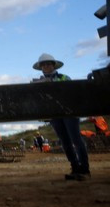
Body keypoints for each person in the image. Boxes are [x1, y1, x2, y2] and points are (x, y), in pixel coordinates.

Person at [33, 53, 90, 181]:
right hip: (55, 115)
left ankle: (84, 169)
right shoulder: (38, 82)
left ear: (53, 65)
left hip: (69, 113)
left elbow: (72, 93)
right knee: (65, 142)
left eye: (48, 64)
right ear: (41, 67)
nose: (46, 66)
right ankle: (75, 167)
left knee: (76, 140)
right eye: (44, 64)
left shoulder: (65, 77)